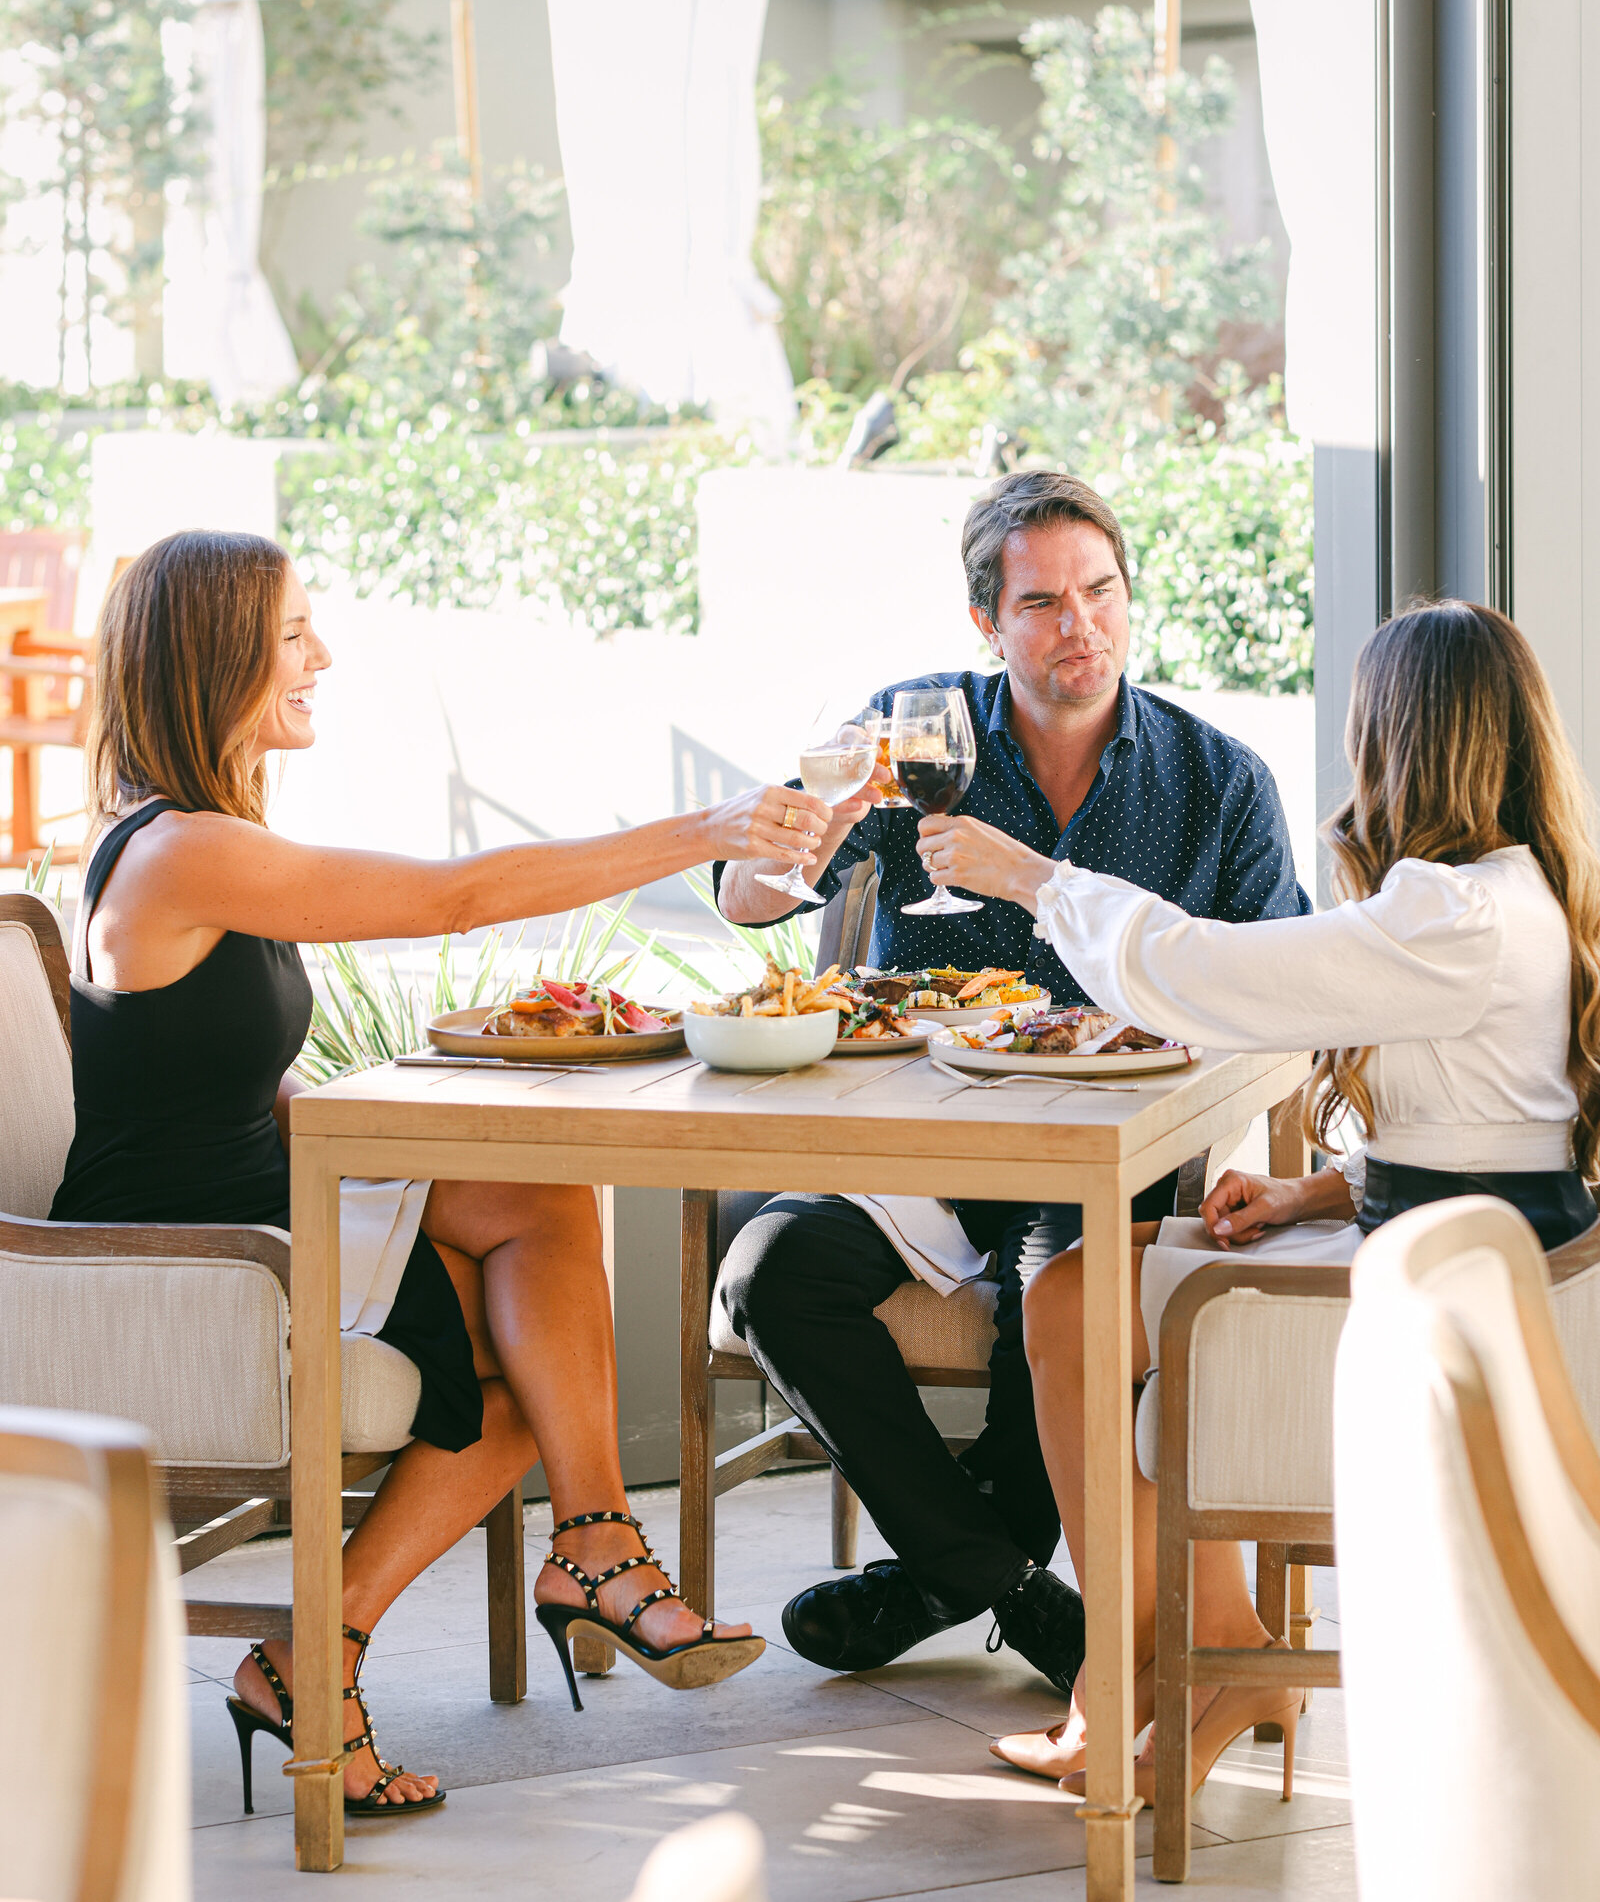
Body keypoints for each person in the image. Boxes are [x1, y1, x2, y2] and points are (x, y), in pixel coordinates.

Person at [51, 531, 835, 1817]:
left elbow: (212, 1076)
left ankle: (576, 1546)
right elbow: (458, 894)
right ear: (213, 658)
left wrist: (382, 1133)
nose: (322, 656)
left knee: (538, 1204)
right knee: (526, 1370)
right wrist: (711, 828)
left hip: (259, 1194)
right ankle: (398, 1623)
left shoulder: (203, 836)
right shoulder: (179, 850)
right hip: (189, 1254)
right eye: (293, 633)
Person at [928, 599, 1600, 1800]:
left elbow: (1197, 973)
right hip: (1460, 1255)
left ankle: (1167, 1665)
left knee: (1076, 1303)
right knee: (1086, 1288)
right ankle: (1189, 1655)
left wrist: (1035, 878)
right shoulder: (1513, 891)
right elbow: (1495, 1116)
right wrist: (1309, 1188)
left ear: (1401, 736)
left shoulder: (1451, 912)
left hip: (1425, 1305)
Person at [712, 470, 1309, 1691]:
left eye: (1099, 591)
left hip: (1109, 1143)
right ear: (988, 620)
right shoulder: (917, 735)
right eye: (1041, 601)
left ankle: (938, 1576)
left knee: (1062, 1291)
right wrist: (820, 812)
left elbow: (1274, 990)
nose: (1078, 623)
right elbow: (745, 904)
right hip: (918, 1144)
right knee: (768, 1270)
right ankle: (1020, 1594)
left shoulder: (1218, 779)